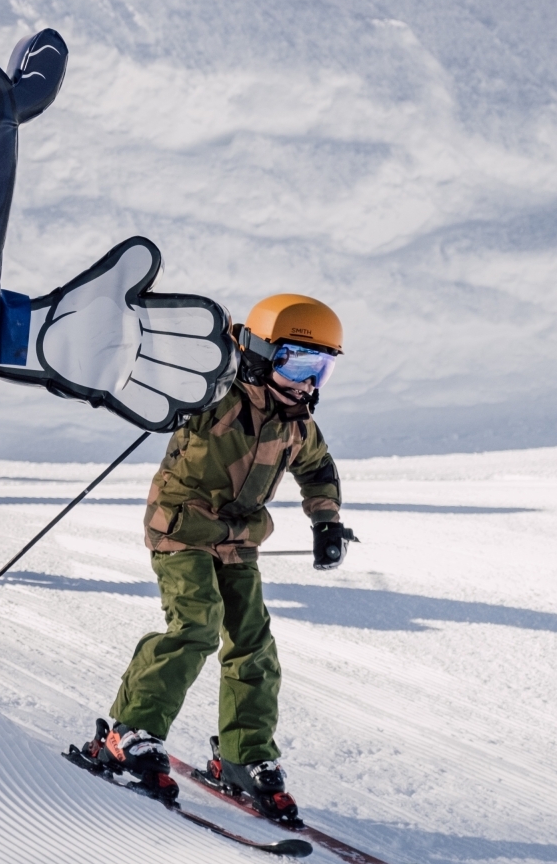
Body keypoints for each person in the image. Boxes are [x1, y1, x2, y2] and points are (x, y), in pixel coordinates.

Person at [74, 293, 358, 824]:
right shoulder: (216, 395)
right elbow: (173, 381)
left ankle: (245, 755)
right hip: (182, 527)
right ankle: (128, 731)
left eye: (321, 367)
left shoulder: (297, 423)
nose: (308, 380)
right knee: (196, 626)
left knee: (253, 643)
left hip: (238, 539)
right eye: (297, 361)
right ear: (259, 351)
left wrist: (327, 522)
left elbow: (318, 470)